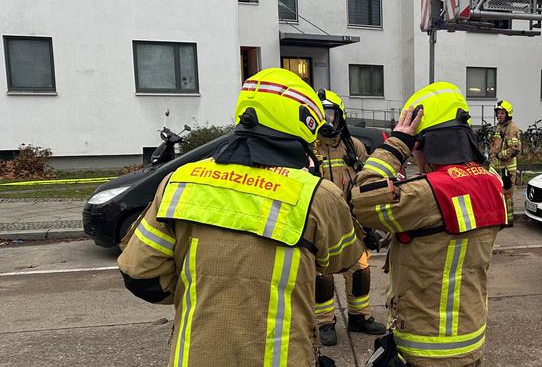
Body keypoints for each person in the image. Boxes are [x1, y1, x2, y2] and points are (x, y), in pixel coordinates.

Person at [118, 68, 364, 366]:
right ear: (303, 123)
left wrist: (206, 293)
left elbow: (139, 274)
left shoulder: (180, 181)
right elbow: (341, 260)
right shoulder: (316, 195)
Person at [352, 82, 507, 366]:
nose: (414, 155)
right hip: (470, 338)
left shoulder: (426, 194)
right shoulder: (491, 181)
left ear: (427, 143)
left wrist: (397, 142)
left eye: (416, 145)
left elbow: (362, 199)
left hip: (427, 347)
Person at [311, 90, 387, 346]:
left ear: (340, 116)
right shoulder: (308, 149)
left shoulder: (354, 147)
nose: (326, 122)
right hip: (320, 223)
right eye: (321, 116)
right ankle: (324, 323)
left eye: (330, 115)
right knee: (321, 275)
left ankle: (359, 317)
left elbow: (365, 187)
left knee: (360, 270)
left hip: (351, 222)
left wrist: (371, 225)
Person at [489, 100, 520, 223]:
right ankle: (500, 217)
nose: (499, 115)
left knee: (507, 194)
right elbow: (496, 143)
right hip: (497, 166)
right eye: (498, 113)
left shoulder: (512, 128)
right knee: (497, 193)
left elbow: (514, 149)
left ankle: (508, 220)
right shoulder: (499, 126)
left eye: (502, 113)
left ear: (508, 114)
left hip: (507, 168)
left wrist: (501, 155)